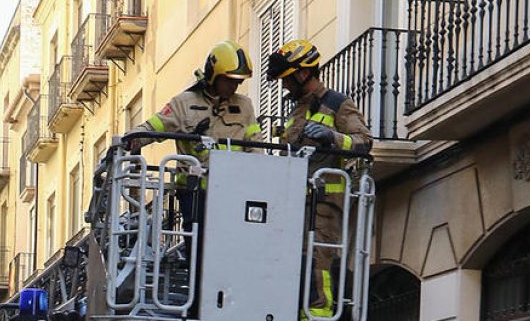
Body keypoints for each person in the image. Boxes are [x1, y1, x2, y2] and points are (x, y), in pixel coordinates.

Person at [265, 39, 372, 320]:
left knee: (317, 263)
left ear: (303, 73)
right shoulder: (296, 110)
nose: (285, 86)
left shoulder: (338, 104)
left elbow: (364, 142)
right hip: (294, 205)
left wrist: (332, 137)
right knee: (295, 265)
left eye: (287, 79)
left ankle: (319, 316)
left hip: (324, 205)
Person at [127, 40, 264, 224]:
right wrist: (129, 141)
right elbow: (154, 128)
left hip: (233, 190)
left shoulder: (244, 105)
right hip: (195, 192)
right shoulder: (184, 103)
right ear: (214, 76)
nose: (234, 87)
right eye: (229, 80)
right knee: (198, 247)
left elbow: (255, 145)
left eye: (238, 82)